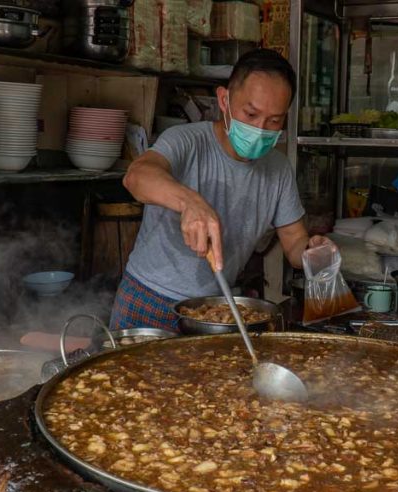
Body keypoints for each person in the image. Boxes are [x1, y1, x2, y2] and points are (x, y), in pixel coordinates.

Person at [111, 49, 331, 331]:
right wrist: (190, 202)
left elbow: (294, 245)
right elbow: (136, 177)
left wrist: (316, 251)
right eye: (250, 114)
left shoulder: (278, 169)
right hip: (149, 301)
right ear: (224, 100)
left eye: (274, 121)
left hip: (214, 309)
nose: (260, 129)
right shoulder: (186, 141)